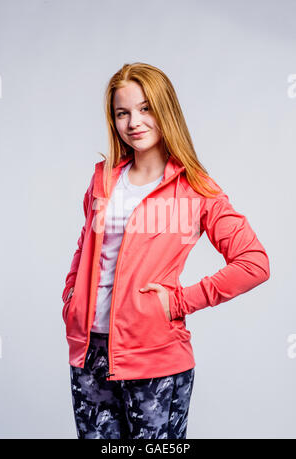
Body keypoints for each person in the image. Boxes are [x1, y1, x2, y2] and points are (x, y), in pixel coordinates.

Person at [62, 62, 270, 439]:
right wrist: (72, 298)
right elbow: (87, 246)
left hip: (154, 357)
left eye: (145, 108)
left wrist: (179, 302)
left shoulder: (195, 189)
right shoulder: (103, 179)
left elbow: (254, 262)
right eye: (122, 113)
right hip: (90, 352)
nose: (134, 122)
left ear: (165, 110)